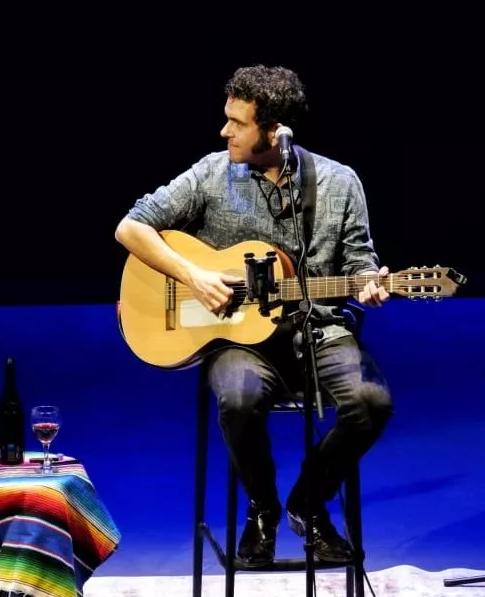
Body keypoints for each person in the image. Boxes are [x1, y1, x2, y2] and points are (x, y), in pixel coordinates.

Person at [115, 65, 394, 567]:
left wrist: (371, 282)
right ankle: (262, 508)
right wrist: (196, 276)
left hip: (320, 332)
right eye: (227, 119)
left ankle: (308, 502)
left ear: (275, 131)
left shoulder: (337, 182)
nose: (225, 132)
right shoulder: (211, 172)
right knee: (239, 399)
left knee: (371, 402)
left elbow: (359, 263)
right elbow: (131, 228)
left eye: (237, 124)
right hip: (238, 341)